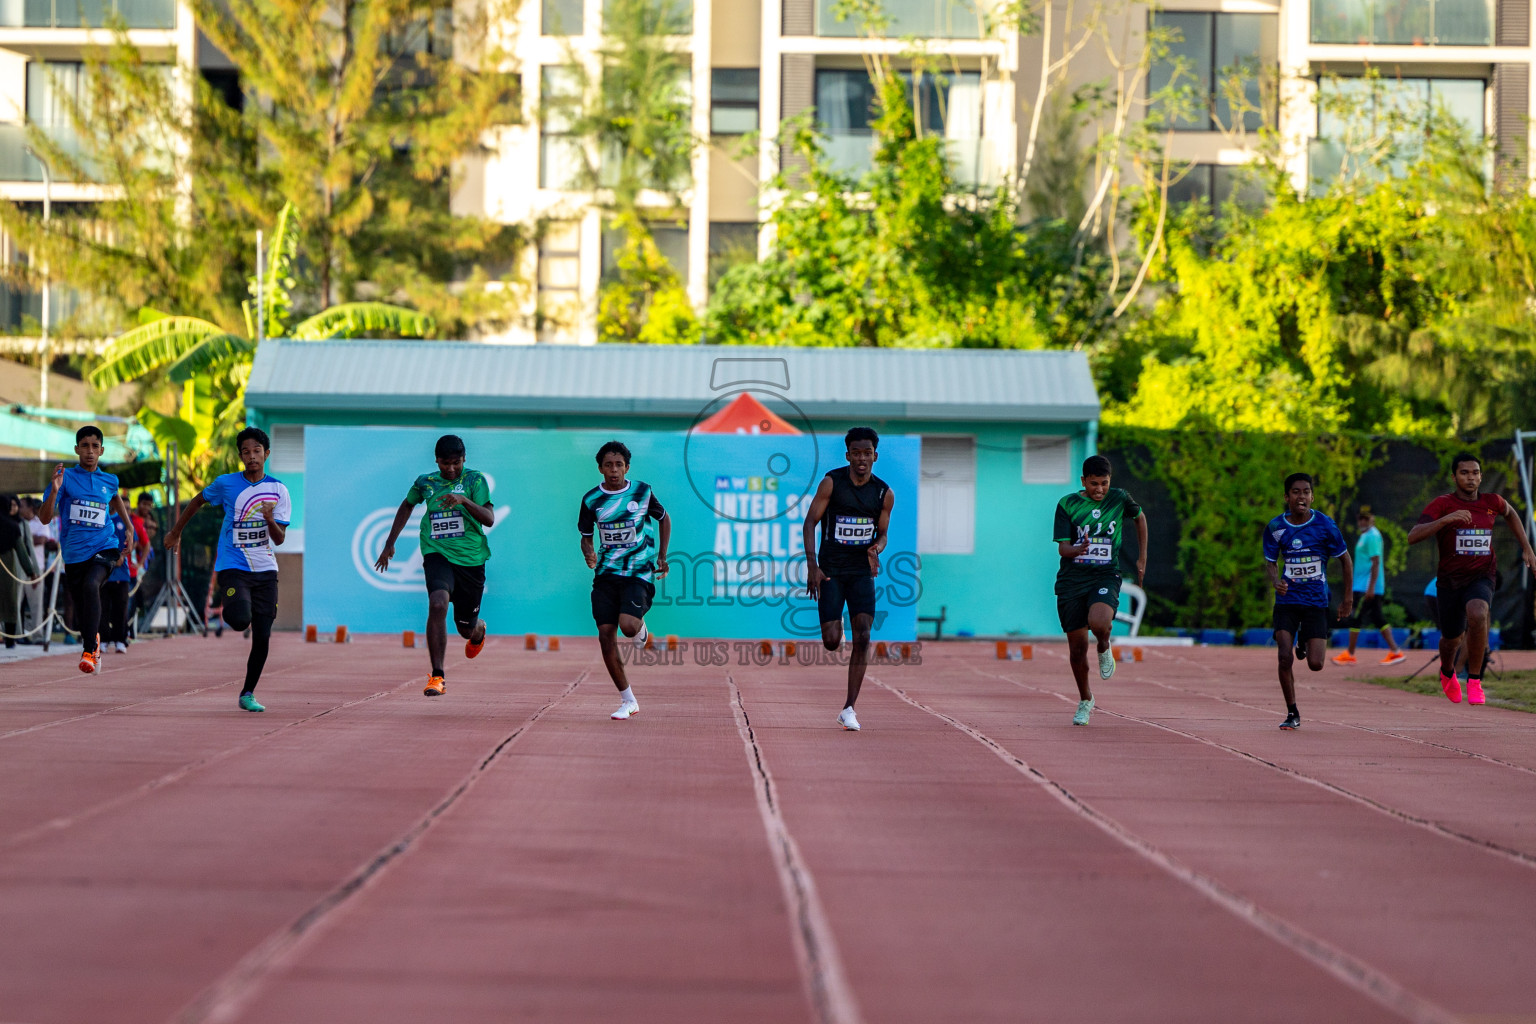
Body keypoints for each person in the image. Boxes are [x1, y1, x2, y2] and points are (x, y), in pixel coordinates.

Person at [164, 427, 292, 712]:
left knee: (263, 636)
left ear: (266, 454)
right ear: (240, 456)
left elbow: (280, 538)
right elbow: (197, 500)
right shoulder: (226, 484)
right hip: (233, 564)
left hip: (266, 570)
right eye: (246, 452)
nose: (252, 457)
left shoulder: (279, 490)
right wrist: (176, 532)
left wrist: (270, 520)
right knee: (238, 620)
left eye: (257, 451)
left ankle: (247, 693)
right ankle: (234, 603)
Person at [1407, 452, 1536, 705]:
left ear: (1481, 476)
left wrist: (1528, 548)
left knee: (1478, 613)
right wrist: (1446, 520)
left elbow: (1510, 513)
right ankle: (1447, 671)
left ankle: (1475, 680)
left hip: (1482, 574)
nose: (1471, 477)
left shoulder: (1492, 501)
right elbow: (1413, 536)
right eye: (1464, 473)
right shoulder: (1442, 504)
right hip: (1449, 581)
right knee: (1451, 638)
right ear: (1454, 477)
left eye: (1475, 473)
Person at [374, 434, 493, 697]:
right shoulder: (425, 482)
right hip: (436, 552)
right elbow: (407, 506)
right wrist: (390, 543)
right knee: (437, 602)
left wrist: (463, 500)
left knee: (465, 628)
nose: (450, 469)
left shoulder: (474, 480)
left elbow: (489, 518)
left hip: (471, 560)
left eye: (456, 463)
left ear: (464, 460)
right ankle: (437, 676)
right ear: (436, 460)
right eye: (445, 464)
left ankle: (478, 630)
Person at [803, 427, 894, 732]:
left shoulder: (883, 493)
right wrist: (812, 566)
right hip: (830, 570)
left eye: (867, 453)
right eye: (856, 453)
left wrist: (876, 548)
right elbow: (810, 523)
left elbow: (882, 535)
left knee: (864, 635)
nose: (861, 459)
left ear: (875, 456)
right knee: (831, 643)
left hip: (860, 572)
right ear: (848, 455)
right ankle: (836, 627)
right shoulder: (832, 483)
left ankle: (849, 708)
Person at [1051, 455, 1148, 726]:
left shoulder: (1118, 498)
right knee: (1077, 650)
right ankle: (1085, 699)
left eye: (1104, 484)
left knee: (1100, 621)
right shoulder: (1067, 504)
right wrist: (1077, 549)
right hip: (1072, 580)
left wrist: (1142, 559)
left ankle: (1105, 647)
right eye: (1094, 484)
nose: (1099, 490)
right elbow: (1063, 548)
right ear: (1083, 481)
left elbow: (1140, 519)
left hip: (1105, 574)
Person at [578, 440, 669, 721]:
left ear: (627, 467)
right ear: (600, 468)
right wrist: (589, 553)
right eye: (608, 465)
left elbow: (664, 518)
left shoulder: (642, 492)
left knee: (628, 627)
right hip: (606, 574)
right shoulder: (591, 500)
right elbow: (585, 535)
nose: (614, 470)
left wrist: (662, 556)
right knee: (606, 633)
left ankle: (640, 628)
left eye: (619, 465)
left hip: (638, 572)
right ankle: (627, 700)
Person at [38, 426, 135, 673]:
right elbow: (45, 518)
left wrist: (129, 526)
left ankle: (89, 650)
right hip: (74, 553)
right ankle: (93, 641)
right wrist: (56, 490)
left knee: (93, 585)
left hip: (105, 546)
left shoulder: (109, 479)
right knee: (83, 610)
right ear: (76, 449)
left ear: (101, 450)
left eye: (95, 446)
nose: (90, 451)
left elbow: (114, 497)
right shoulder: (65, 477)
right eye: (85, 446)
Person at [1263, 473, 1353, 731]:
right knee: (1283, 656)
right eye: (1295, 492)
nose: (1301, 496)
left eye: (1306, 492)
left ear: (1312, 497)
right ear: (1286, 497)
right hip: (1287, 600)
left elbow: (1345, 560)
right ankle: (1292, 712)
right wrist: (1275, 581)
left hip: (1316, 601)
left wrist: (1348, 597)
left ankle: (1303, 639)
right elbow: (1270, 561)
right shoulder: (1276, 527)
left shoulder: (1325, 525)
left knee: (1315, 664)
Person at [1333, 507, 1405, 665]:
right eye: (1360, 518)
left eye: (1366, 519)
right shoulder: (1365, 535)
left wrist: (1371, 587)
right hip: (1363, 585)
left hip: (1366, 587)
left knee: (1356, 618)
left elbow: (1376, 562)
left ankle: (1350, 654)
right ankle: (1395, 652)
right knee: (1377, 617)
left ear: (1372, 519)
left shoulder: (1372, 536)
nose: (1362, 522)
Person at [2, 494, 39, 648]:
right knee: (10, 601)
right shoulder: (13, 526)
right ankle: (10, 641)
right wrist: (31, 572)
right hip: (7, 564)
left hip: (6, 565)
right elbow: (22, 552)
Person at [18, 497, 55, 639]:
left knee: (36, 605)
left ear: (30, 508)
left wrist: (23, 539)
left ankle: (37, 636)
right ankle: (16, 635)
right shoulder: (17, 522)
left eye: (22, 506)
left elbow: (42, 540)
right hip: (18, 569)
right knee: (15, 603)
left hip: (36, 568)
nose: (20, 509)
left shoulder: (41, 522)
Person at [100, 508, 135, 655]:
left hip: (121, 575)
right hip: (103, 573)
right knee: (102, 609)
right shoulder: (101, 517)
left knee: (120, 610)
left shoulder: (125, 522)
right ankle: (103, 640)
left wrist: (121, 556)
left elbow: (131, 545)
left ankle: (120, 640)